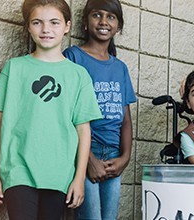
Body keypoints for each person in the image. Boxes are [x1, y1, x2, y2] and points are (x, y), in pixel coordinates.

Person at [0, 0, 102, 219]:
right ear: (28, 27)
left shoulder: (78, 75)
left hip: (59, 173)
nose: (46, 29)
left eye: (54, 22)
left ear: (67, 26)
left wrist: (79, 178)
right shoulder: (14, 68)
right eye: (37, 22)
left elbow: (83, 130)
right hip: (17, 169)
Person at [62, 0, 136, 219]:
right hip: (85, 151)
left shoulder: (120, 67)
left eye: (111, 17)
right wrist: (89, 160)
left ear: (118, 26)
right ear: (85, 22)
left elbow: (126, 120)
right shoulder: (73, 57)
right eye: (97, 15)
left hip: (113, 157)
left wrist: (125, 158)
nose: (104, 21)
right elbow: (65, 114)